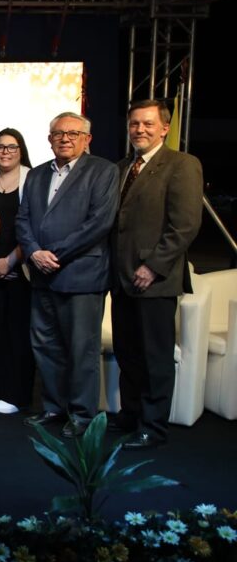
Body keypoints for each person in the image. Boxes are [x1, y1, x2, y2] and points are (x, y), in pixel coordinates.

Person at [17, 112, 120, 438]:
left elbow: (99, 223)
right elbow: (23, 220)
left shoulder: (103, 171)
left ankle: (82, 416)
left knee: (81, 350)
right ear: (49, 139)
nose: (65, 138)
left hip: (81, 276)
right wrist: (34, 252)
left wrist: (54, 254)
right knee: (46, 347)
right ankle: (53, 408)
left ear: (87, 139)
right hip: (42, 275)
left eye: (73, 133)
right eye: (58, 133)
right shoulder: (35, 175)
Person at [111, 99, 203, 450]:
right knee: (128, 353)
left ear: (165, 128)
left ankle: (153, 426)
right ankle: (131, 414)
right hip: (121, 279)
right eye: (135, 123)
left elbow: (185, 225)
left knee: (155, 357)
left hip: (156, 280)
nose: (140, 130)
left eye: (148, 124)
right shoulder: (122, 167)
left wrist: (153, 266)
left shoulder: (181, 165)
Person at [0, 128, 36, 415]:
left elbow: (36, 227)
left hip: (21, 270)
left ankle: (16, 394)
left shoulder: (34, 179)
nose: (5, 152)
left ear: (21, 150)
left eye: (11, 147)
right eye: (0, 147)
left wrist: (10, 262)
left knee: (18, 334)